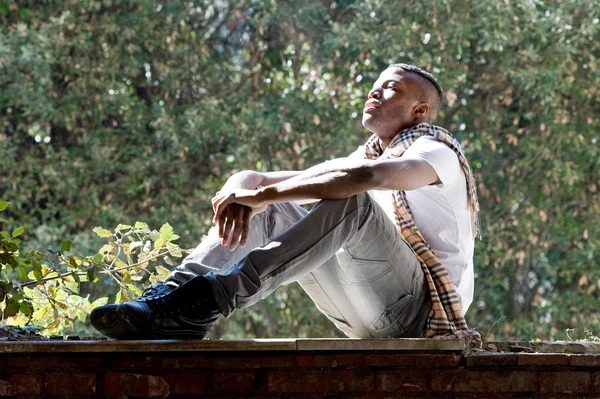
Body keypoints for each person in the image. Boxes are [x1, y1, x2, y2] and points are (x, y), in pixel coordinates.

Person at [90, 63, 479, 340]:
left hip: (420, 315)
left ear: (420, 110)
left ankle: (212, 297)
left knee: (353, 202)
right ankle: (170, 300)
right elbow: (259, 180)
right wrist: (242, 192)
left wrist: (258, 194)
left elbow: (363, 180)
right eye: (374, 85)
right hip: (360, 311)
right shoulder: (368, 155)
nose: (373, 91)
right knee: (274, 208)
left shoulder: (435, 150)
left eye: (390, 87)